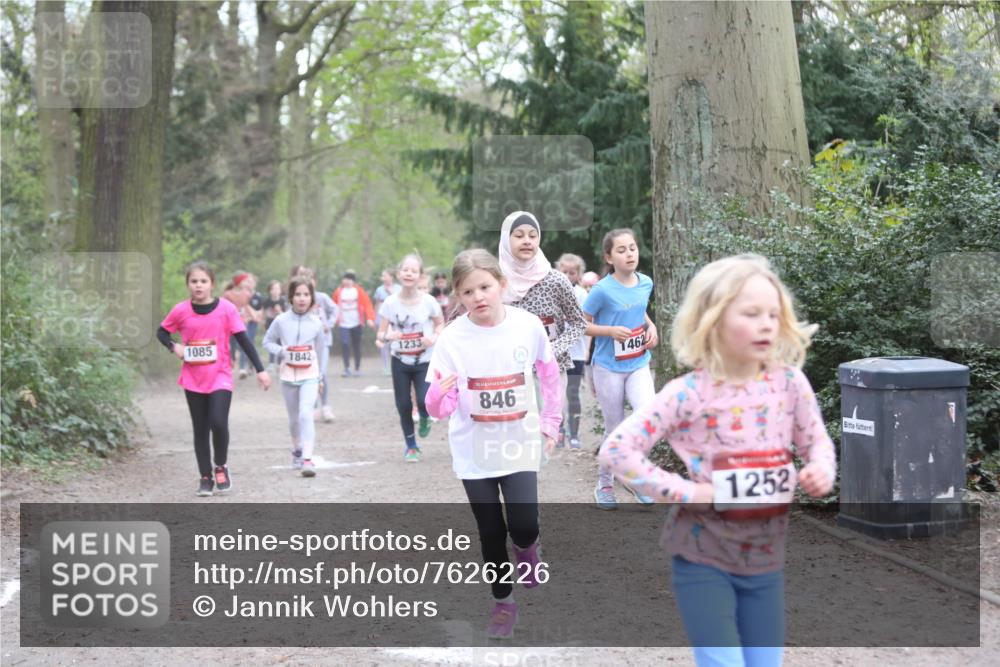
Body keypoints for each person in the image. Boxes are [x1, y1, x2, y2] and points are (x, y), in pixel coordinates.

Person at [598, 253, 836, 667]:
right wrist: (688, 491)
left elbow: (818, 442)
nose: (767, 323)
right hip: (701, 560)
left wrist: (821, 470)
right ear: (713, 319)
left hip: (765, 561)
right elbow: (617, 450)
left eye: (773, 314)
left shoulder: (790, 384)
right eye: (751, 313)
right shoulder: (688, 393)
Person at [425, 249, 562, 640]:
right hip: (473, 449)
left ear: (501, 285)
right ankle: (503, 604)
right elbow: (439, 408)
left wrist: (551, 424)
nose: (478, 297)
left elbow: (548, 375)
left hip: (518, 441)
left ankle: (526, 548)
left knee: (523, 523)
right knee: (489, 531)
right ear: (458, 296)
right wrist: (437, 395)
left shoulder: (527, 325)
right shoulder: (452, 339)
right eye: (468, 292)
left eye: (485, 287)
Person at [158, 262, 271, 496]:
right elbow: (161, 331)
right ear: (188, 284)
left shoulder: (226, 309)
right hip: (193, 377)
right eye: (194, 281)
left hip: (220, 375)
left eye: (203, 281)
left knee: (218, 423)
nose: (198, 286)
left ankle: (220, 465)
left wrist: (260, 369)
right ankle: (205, 478)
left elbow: (243, 339)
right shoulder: (181, 310)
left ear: (212, 284)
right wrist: (174, 346)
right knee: (200, 428)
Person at [583, 228, 660, 510]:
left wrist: (651, 327)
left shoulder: (646, 282)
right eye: (621, 250)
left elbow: (638, 309)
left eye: (632, 248)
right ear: (609, 257)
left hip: (638, 362)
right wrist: (609, 331)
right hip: (608, 367)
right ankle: (604, 482)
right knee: (614, 427)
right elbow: (582, 323)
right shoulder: (602, 289)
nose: (629, 254)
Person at [498, 211, 586, 452]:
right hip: (510, 367)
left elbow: (579, 323)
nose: (527, 240)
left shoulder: (556, 280)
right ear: (507, 240)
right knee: (517, 427)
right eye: (519, 235)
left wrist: (551, 350)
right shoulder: (495, 281)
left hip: (551, 366)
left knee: (543, 427)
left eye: (533, 235)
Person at [376, 254, 444, 462]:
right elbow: (380, 334)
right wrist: (388, 336)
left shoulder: (429, 302)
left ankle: (424, 417)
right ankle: (411, 446)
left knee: (424, 400)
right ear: (399, 274)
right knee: (404, 404)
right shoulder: (389, 303)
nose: (409, 273)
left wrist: (432, 337)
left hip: (424, 360)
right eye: (405, 269)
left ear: (420, 276)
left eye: (413, 270)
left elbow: (441, 325)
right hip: (400, 361)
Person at [263, 274, 327, 477]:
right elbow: (268, 342)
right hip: (288, 376)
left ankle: (308, 458)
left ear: (312, 298)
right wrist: (282, 351)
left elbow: (321, 351)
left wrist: (321, 377)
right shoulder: (281, 321)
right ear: (290, 297)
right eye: (298, 294)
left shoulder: (316, 323)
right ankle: (297, 449)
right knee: (293, 419)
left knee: (305, 413)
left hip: (310, 375)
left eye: (306, 294)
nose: (302, 298)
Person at [291, 266, 338, 422]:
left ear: (315, 282)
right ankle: (312, 407)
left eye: (310, 279)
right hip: (305, 345)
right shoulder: (299, 300)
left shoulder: (322, 297)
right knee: (308, 375)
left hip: (323, 342)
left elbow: (335, 309)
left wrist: (329, 324)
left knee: (321, 373)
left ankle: (325, 406)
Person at [555, 253, 588, 449]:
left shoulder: (583, 295)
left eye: (572, 272)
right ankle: (558, 431)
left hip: (576, 353)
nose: (567, 276)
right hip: (556, 352)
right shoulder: (551, 292)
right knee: (556, 394)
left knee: (573, 393)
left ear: (578, 275)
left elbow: (584, 322)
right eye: (564, 271)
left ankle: (574, 434)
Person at [332, 270, 375, 377]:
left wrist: (370, 318)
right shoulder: (338, 292)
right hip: (343, 323)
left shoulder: (359, 291)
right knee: (345, 344)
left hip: (356, 322)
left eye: (349, 279)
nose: (346, 281)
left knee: (356, 345)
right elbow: (333, 306)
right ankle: (346, 368)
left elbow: (367, 305)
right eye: (345, 279)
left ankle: (357, 368)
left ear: (353, 281)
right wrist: (332, 320)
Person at [374, 269, 403, 376]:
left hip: (396, 320)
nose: (384, 278)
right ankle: (385, 366)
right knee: (383, 343)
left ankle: (396, 364)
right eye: (383, 276)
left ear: (392, 277)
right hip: (383, 319)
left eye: (385, 276)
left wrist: (390, 292)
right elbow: (377, 305)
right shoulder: (379, 290)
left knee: (395, 342)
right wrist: (375, 318)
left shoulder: (399, 288)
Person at [237, 273, 264, 379]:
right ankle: (242, 368)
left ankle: (250, 365)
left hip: (253, 322)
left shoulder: (258, 295)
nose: (249, 284)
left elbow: (260, 309)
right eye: (247, 282)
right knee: (243, 344)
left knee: (250, 343)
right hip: (242, 321)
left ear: (255, 283)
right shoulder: (241, 294)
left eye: (251, 282)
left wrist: (258, 317)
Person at [262, 279, 287, 372]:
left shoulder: (283, 301)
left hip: (281, 326)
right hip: (270, 324)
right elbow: (264, 313)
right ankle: (271, 363)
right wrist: (263, 322)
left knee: (280, 343)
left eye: (277, 288)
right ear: (269, 291)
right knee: (271, 343)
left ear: (280, 290)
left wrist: (279, 311)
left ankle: (280, 363)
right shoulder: (267, 301)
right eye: (273, 289)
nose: (275, 291)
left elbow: (286, 315)